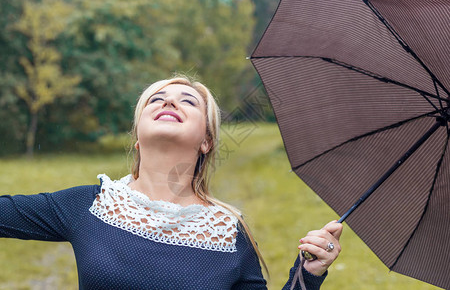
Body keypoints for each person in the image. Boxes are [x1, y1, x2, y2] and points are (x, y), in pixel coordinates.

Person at [0, 75, 343, 289]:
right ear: (137, 137)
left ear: (206, 140)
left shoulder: (226, 233)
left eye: (188, 101)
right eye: (155, 98)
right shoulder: (90, 205)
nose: (168, 101)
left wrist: (308, 274)